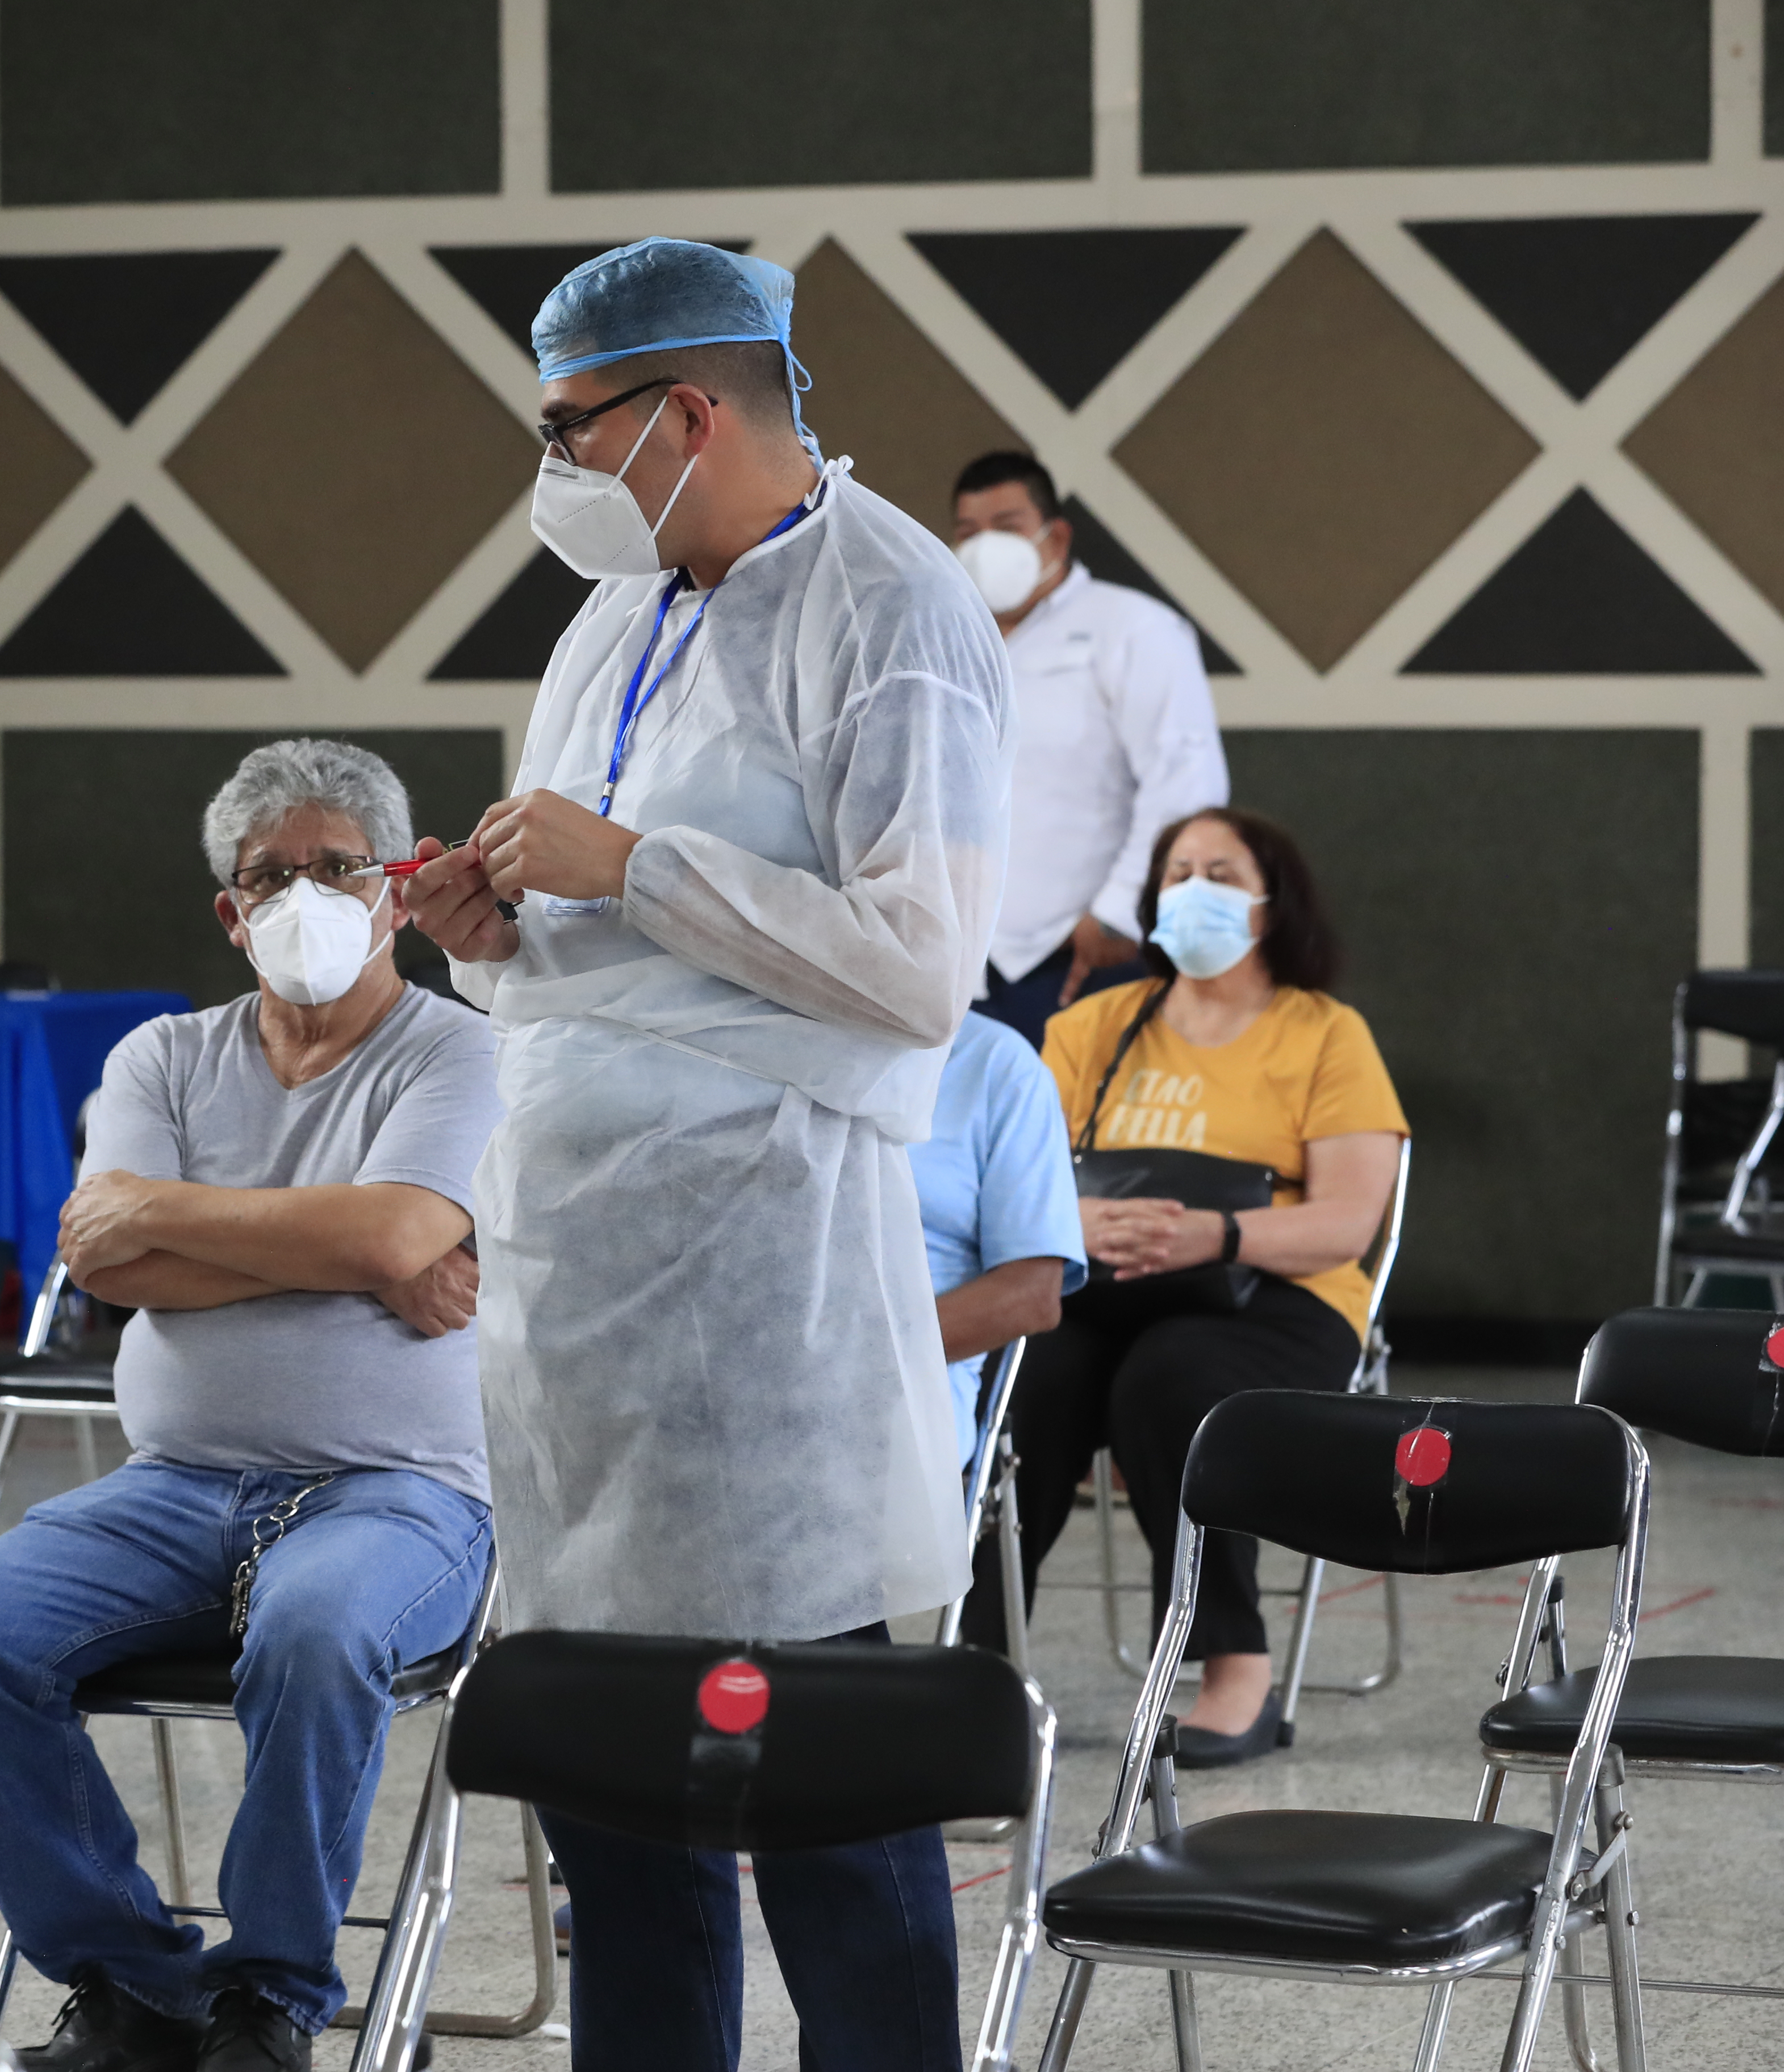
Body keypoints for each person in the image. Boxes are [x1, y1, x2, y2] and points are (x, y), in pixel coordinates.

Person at [401, 238, 1008, 2072]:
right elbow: (582, 943)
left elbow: (918, 966)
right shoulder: (618, 611)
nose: (555, 468)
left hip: (763, 1282)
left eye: (570, 427)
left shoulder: (897, 610)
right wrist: (485, 927)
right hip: (576, 1278)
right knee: (616, 1786)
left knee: (808, 1768)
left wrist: (631, 865)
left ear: (687, 411)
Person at [0, 741, 498, 2072]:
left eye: (337, 867)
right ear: (229, 908)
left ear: (394, 886)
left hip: (400, 1490)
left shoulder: (462, 1056)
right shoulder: (162, 1057)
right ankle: (138, 1986)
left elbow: (387, 1236)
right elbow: (99, 1254)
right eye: (272, 876)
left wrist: (185, 1230)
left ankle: (270, 1998)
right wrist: (346, 1246)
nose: (304, 895)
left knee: (315, 1633)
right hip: (175, 1484)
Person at [961, 807, 1406, 1764]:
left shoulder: (1326, 1033)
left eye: (1218, 870)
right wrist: (1071, 1224)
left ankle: (1232, 1667)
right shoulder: (1090, 1025)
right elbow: (1014, 1182)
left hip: (1276, 1295)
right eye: (1175, 871)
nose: (1190, 886)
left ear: (1269, 902)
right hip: (1103, 1281)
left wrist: (1221, 1233)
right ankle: (977, 1670)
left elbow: (1347, 1223)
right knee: (1028, 1378)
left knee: (1170, 1379)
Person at [950, 453, 1229, 1048]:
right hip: (960, 962)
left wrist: (1120, 915)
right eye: (969, 532)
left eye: (1008, 526)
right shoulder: (947, 638)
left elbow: (1186, 783)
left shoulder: (1134, 628)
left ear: (1057, 535)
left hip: (1084, 958)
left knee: (1084, 1137)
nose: (985, 546)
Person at [909, 1010, 1087, 1470]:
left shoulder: (994, 1064)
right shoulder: (729, 1036)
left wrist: (841, 1360)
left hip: (897, 1392)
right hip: (726, 1367)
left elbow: (1031, 1295)